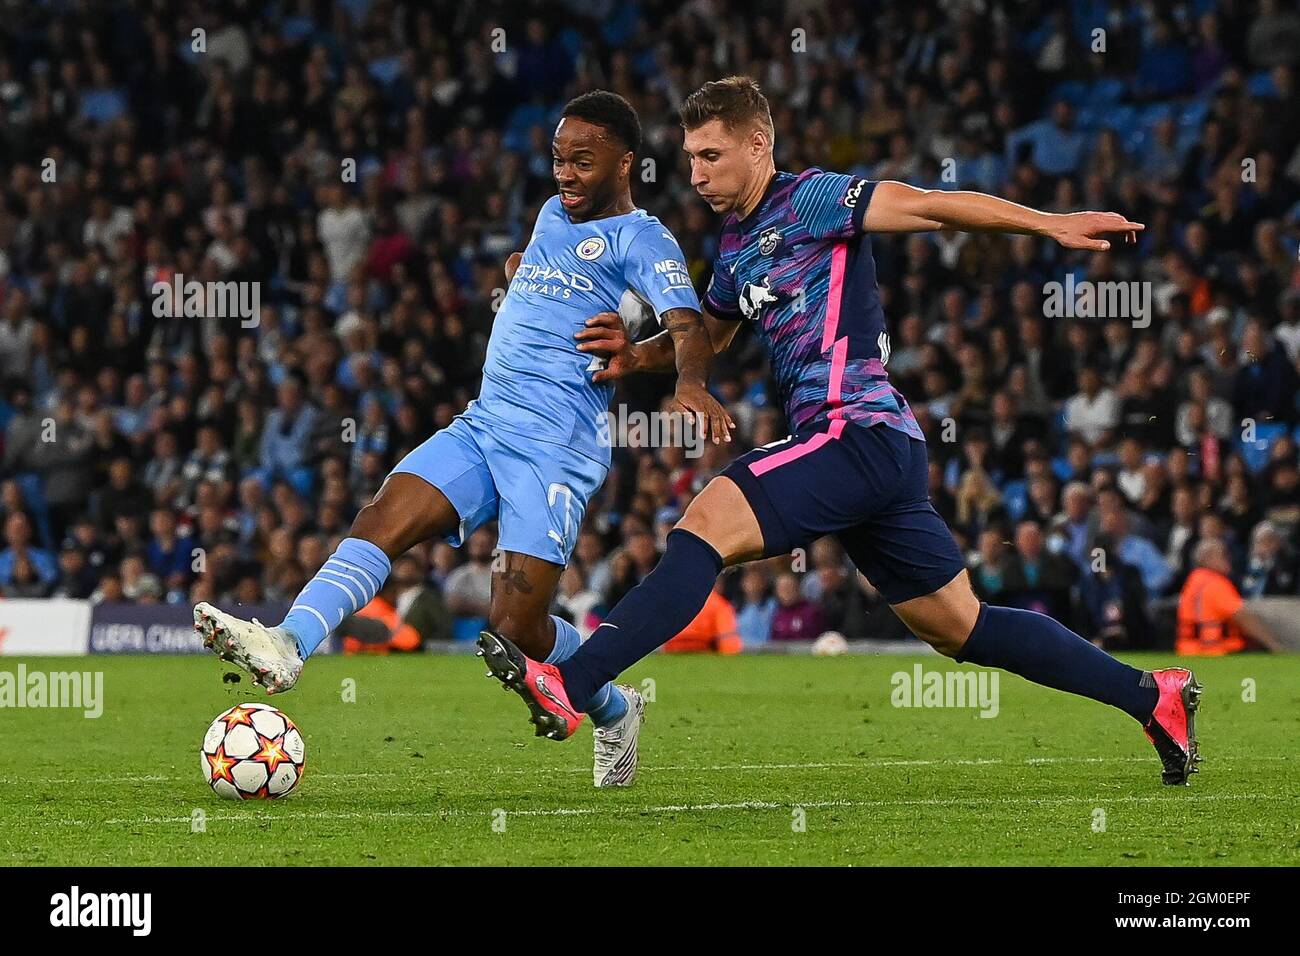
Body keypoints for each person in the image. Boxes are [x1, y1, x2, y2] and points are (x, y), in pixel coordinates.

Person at [482, 76, 1203, 787]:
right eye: (691, 158)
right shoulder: (736, 247)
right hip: (874, 452)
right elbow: (714, 338)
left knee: (701, 527)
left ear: (758, 145)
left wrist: (1046, 223)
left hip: (852, 431)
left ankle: (573, 686)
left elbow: (931, 207)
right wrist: (634, 357)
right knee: (963, 627)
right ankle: (1152, 696)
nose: (696, 175)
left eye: (711, 156)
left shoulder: (816, 199)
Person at [193, 91, 731, 789]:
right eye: (558, 159)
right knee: (382, 517)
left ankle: (612, 707)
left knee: (515, 628)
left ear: (625, 164)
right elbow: (546, 274)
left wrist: (686, 380)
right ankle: (291, 643)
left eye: (583, 161)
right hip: (486, 423)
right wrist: (523, 279)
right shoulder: (550, 214)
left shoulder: (643, 239)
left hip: (556, 448)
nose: (565, 174)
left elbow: (688, 324)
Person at [1177, 538, 1283, 654]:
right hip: (1217, 651)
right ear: (1207, 558)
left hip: (1188, 652)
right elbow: (1242, 616)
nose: (1229, 559)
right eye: (1224, 555)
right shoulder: (1215, 583)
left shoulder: (1194, 580)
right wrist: (1273, 645)